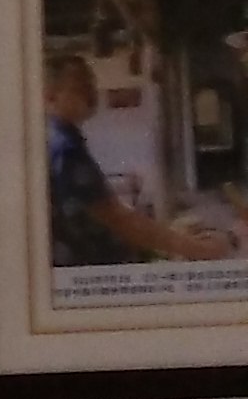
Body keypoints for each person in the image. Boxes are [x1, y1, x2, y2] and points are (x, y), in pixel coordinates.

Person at [46, 47, 236, 269]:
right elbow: (119, 220)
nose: (90, 94)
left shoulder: (63, 137)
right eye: (79, 87)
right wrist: (198, 249)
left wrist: (171, 236)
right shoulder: (64, 147)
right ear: (50, 95)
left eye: (90, 84)